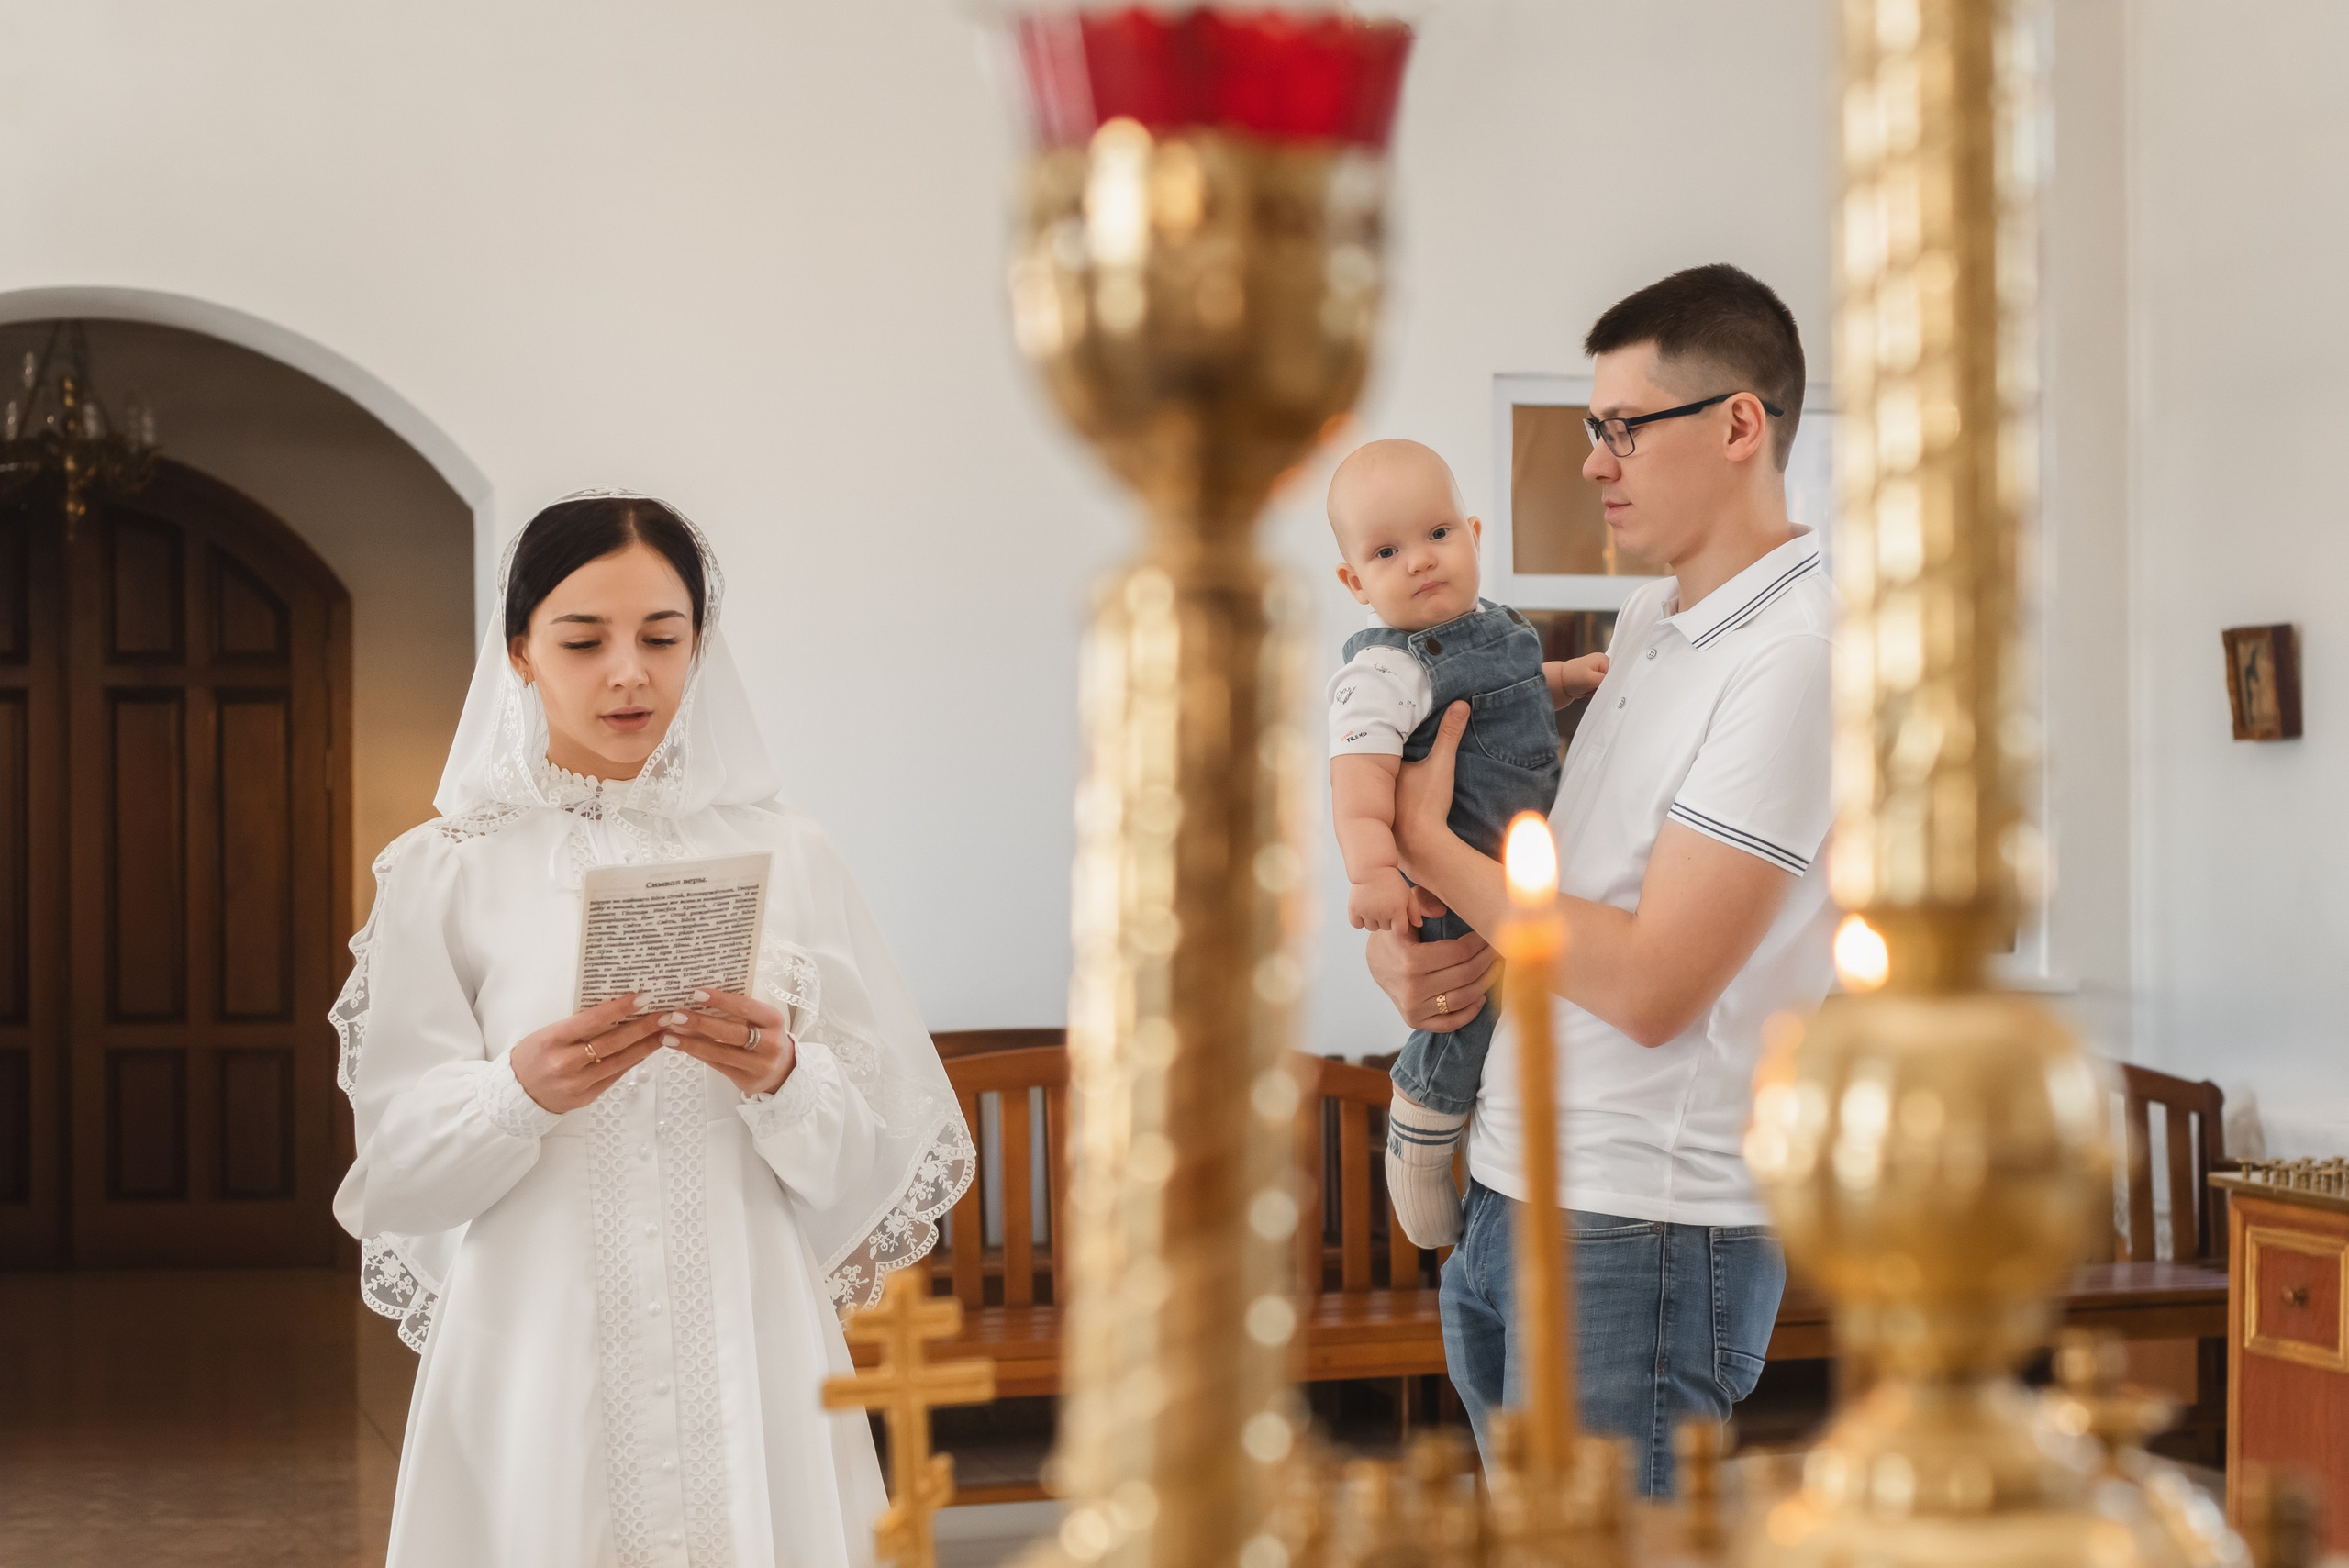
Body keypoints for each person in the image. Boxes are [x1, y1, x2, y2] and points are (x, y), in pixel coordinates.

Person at [331, 492, 974, 1568]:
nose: (628, 672)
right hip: (536, 1335)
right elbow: (393, 1170)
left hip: (748, 1318)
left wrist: (784, 1076)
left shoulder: (790, 853)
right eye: (583, 640)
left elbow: (878, 1148)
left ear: (699, 647)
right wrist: (514, 1092)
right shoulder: (445, 871)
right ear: (521, 652)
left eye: (661, 637)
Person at [1369, 265, 1835, 1496]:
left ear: (1740, 425)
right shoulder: (1648, 623)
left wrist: (1428, 851)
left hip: (1644, 1217)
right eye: (1592, 429)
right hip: (1514, 1177)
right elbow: (1557, 896)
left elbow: (1648, 983)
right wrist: (1420, 951)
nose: (1593, 461)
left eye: (1624, 427)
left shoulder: (1799, 654)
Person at [1321, 439, 1606, 1248]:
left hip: (1511, 879)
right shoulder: (1382, 672)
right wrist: (1374, 870)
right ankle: (1418, 1124)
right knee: (1466, 1017)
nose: (1419, 560)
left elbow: (1516, 699)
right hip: (1452, 894)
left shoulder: (1503, 628)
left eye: (1438, 533)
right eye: (1386, 551)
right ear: (1355, 583)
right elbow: (1359, 782)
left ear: (1474, 532)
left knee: (1507, 1013)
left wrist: (1567, 679)